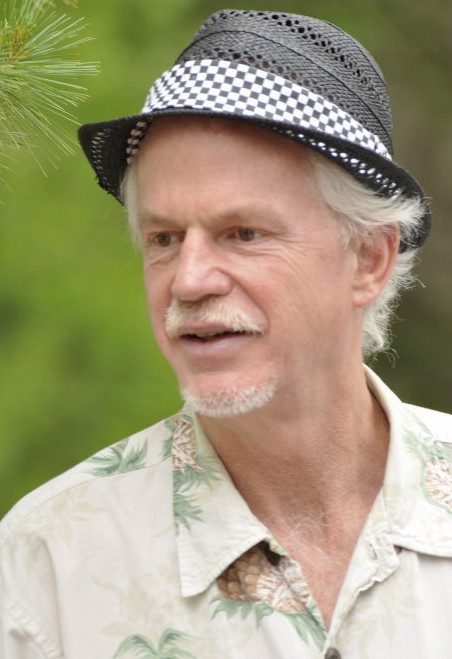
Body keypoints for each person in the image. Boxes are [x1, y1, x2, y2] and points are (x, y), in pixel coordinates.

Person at [1, 9, 451, 659]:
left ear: (368, 260)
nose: (188, 281)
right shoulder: (47, 564)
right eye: (164, 238)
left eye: (243, 233)